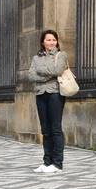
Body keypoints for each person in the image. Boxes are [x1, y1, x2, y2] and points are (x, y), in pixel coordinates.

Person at [29, 29, 68, 174]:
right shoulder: (36, 58)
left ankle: (57, 163)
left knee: (55, 128)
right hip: (40, 94)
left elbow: (58, 70)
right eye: (48, 40)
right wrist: (47, 73)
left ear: (57, 41)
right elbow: (31, 75)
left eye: (53, 40)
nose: (51, 42)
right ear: (42, 42)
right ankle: (47, 162)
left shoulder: (61, 55)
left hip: (55, 94)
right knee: (45, 130)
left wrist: (41, 71)